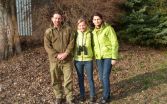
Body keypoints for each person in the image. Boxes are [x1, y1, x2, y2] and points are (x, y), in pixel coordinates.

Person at [44, 11, 75, 104]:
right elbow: (47, 46)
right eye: (55, 18)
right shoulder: (48, 31)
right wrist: (57, 55)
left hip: (67, 59)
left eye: (59, 18)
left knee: (68, 80)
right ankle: (59, 96)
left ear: (62, 19)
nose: (57, 20)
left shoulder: (68, 29)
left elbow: (72, 42)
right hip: (54, 60)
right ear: (52, 19)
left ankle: (69, 97)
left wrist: (66, 53)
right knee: (55, 79)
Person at [91, 12, 119, 104]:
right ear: (92, 21)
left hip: (108, 56)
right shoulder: (93, 32)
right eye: (94, 19)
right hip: (99, 57)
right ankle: (107, 94)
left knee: (105, 76)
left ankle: (106, 97)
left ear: (102, 19)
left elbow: (114, 42)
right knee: (101, 77)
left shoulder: (108, 29)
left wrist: (114, 57)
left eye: (98, 19)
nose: (96, 21)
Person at [73, 17, 96, 103]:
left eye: (83, 25)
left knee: (90, 78)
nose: (82, 27)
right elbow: (71, 46)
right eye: (80, 25)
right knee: (80, 78)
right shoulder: (75, 34)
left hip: (88, 60)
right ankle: (82, 95)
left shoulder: (90, 33)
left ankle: (92, 95)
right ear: (77, 26)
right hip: (78, 60)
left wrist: (94, 55)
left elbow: (94, 45)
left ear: (86, 25)